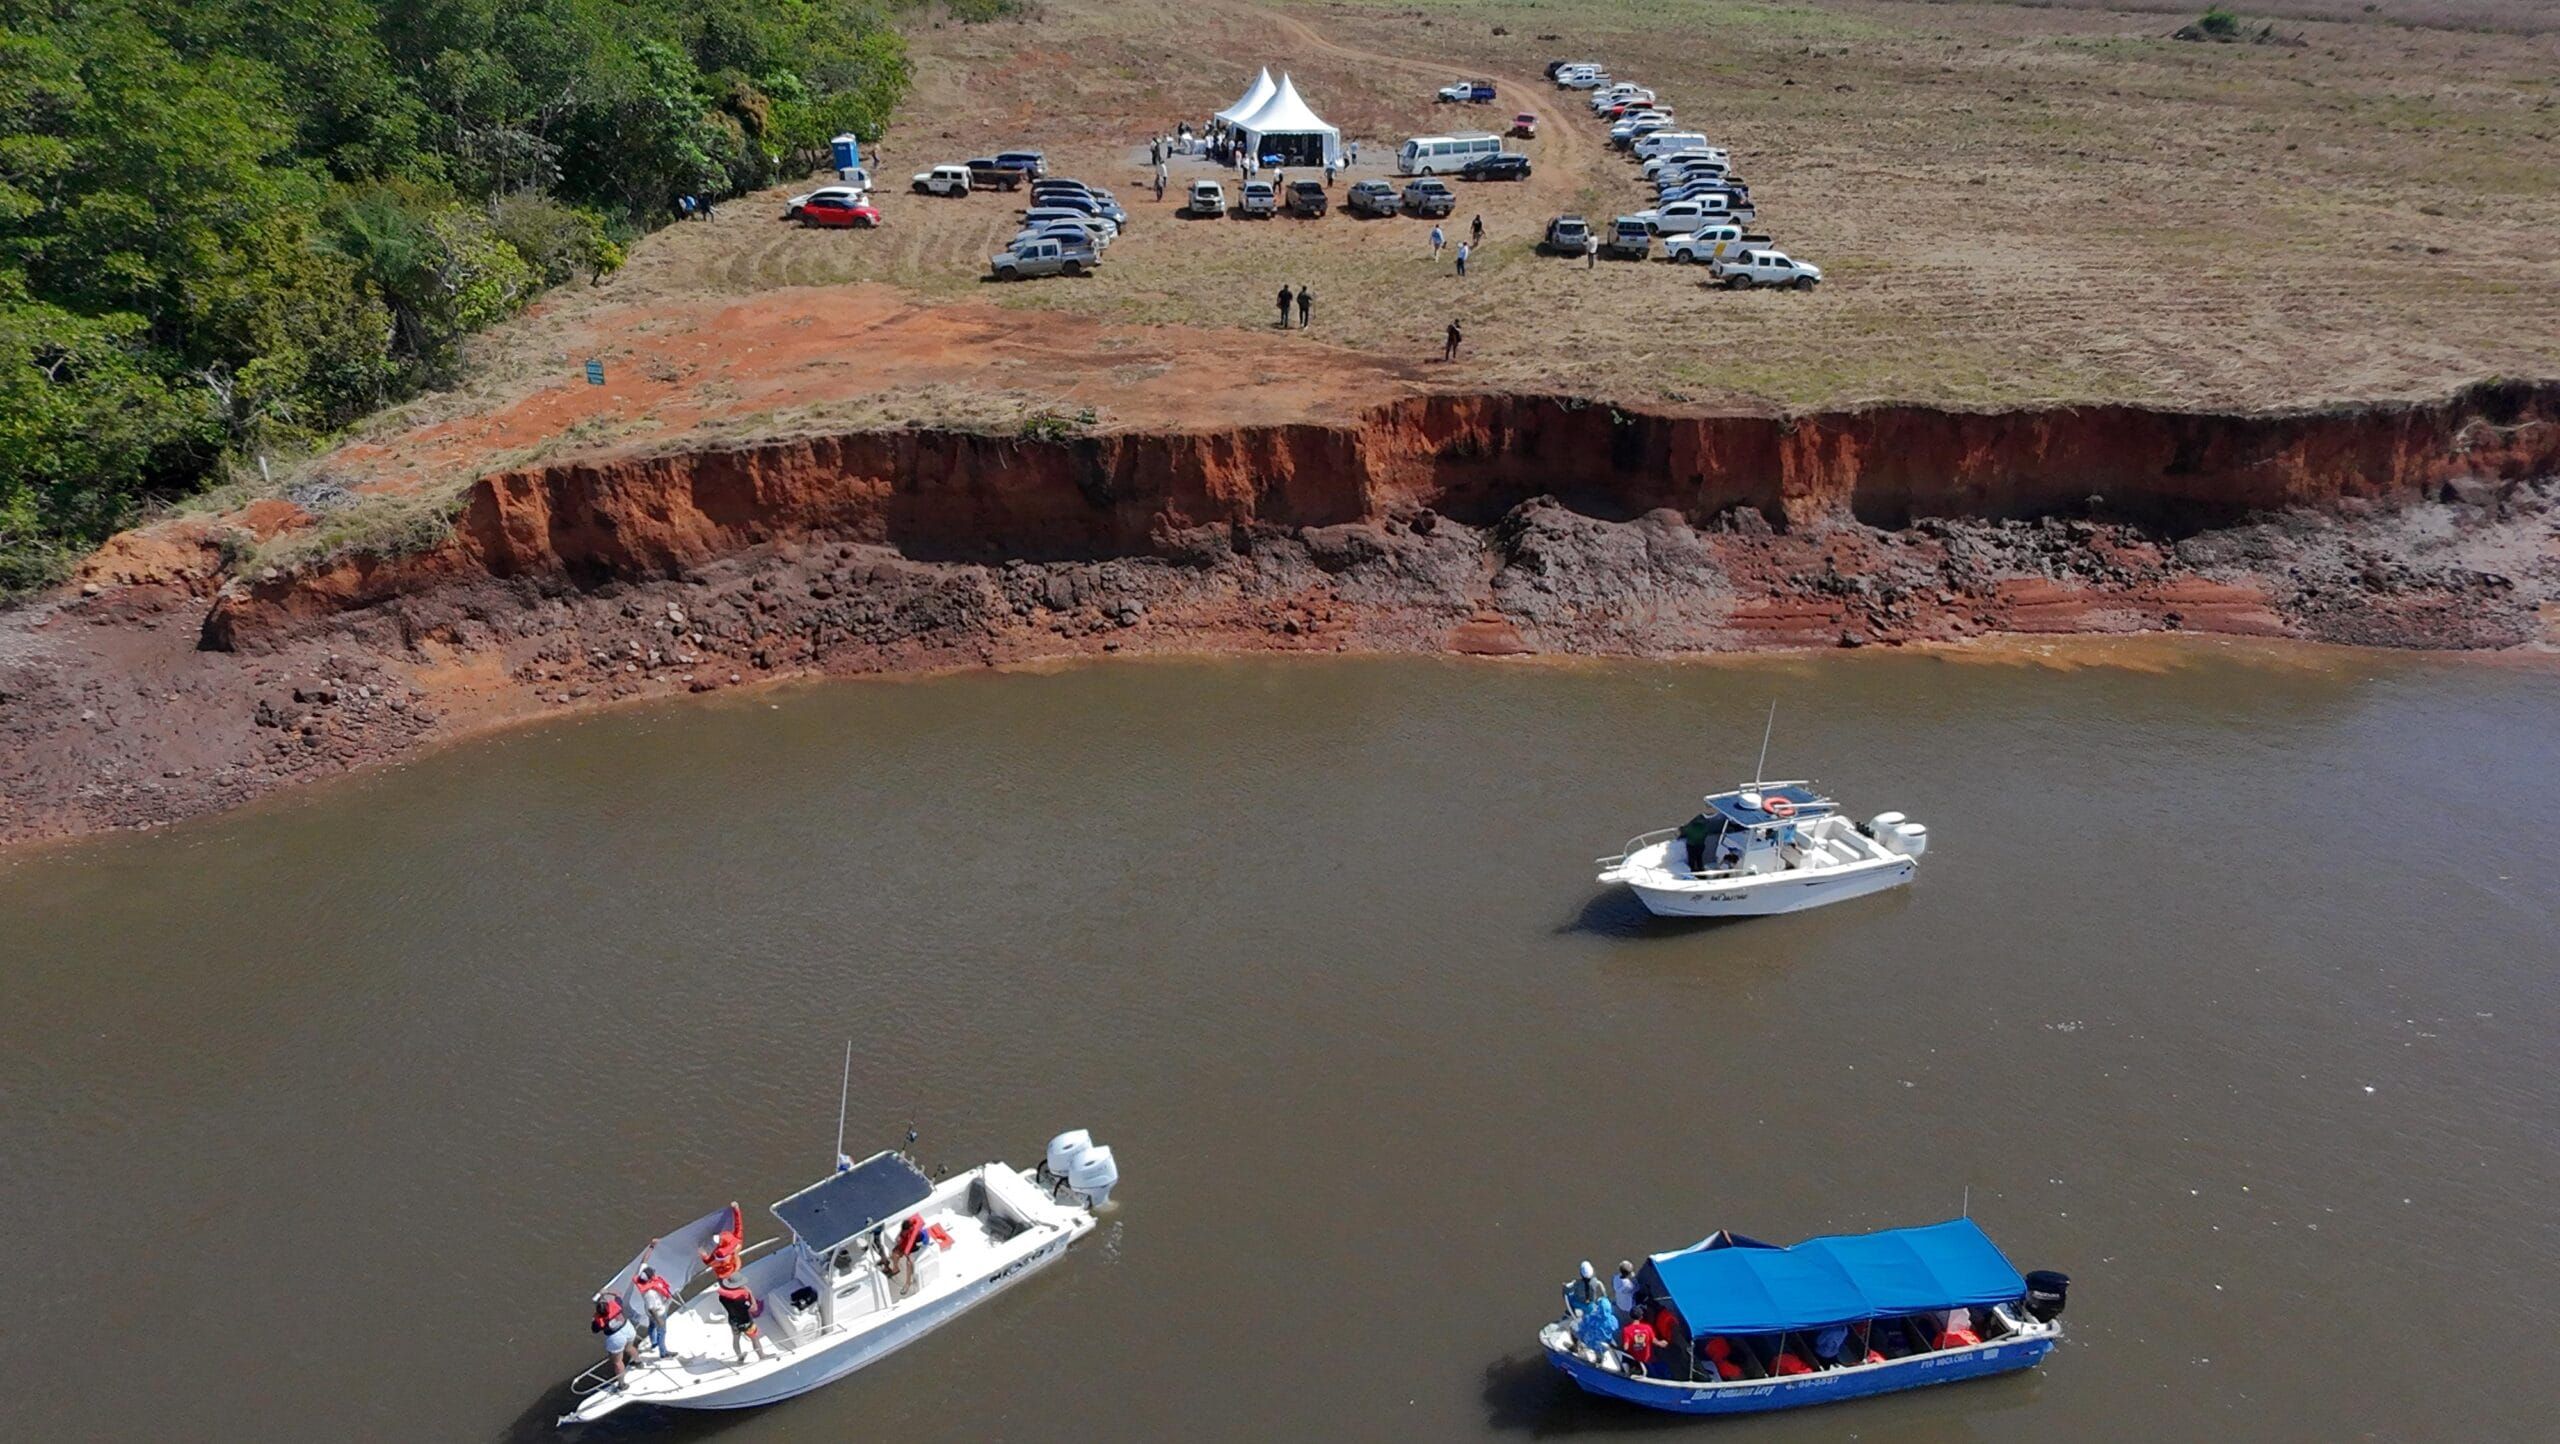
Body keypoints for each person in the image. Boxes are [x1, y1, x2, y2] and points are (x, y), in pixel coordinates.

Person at [715, 1278, 777, 1363]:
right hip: (746, 1322)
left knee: (736, 1339)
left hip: (733, 1321)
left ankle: (740, 1357)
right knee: (754, 1339)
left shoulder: (722, 1297)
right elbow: (754, 1308)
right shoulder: (740, 1299)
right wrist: (750, 1294)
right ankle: (762, 1355)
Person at [592, 1293, 639, 1389]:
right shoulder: (616, 1305)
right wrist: (607, 1292)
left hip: (615, 1338)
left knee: (617, 1361)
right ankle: (638, 1362)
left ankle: (622, 1384)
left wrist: (593, 1320)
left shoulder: (598, 1320)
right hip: (627, 1328)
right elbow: (618, 1296)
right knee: (629, 1347)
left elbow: (595, 1330)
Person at [633, 1264, 676, 1357]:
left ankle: (654, 1342)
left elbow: (643, 1263)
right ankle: (663, 1352)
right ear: (648, 1279)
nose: (654, 1275)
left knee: (652, 1325)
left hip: (651, 1312)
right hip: (658, 1312)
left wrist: (651, 1249)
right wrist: (659, 1320)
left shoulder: (641, 1277)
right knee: (662, 1331)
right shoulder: (650, 1293)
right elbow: (651, 1308)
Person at [700, 1201, 744, 1281]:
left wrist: (703, 1255)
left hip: (725, 1273)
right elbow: (738, 1224)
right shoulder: (737, 1240)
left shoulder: (718, 1254)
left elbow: (708, 1261)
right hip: (729, 1270)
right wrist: (736, 1209)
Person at [1617, 1312, 1657, 1378]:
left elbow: (1625, 1347)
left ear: (1630, 1317)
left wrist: (1617, 1347)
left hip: (1634, 1360)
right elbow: (1655, 1341)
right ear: (1641, 1317)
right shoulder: (1647, 1328)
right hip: (1646, 1359)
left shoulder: (1626, 1330)